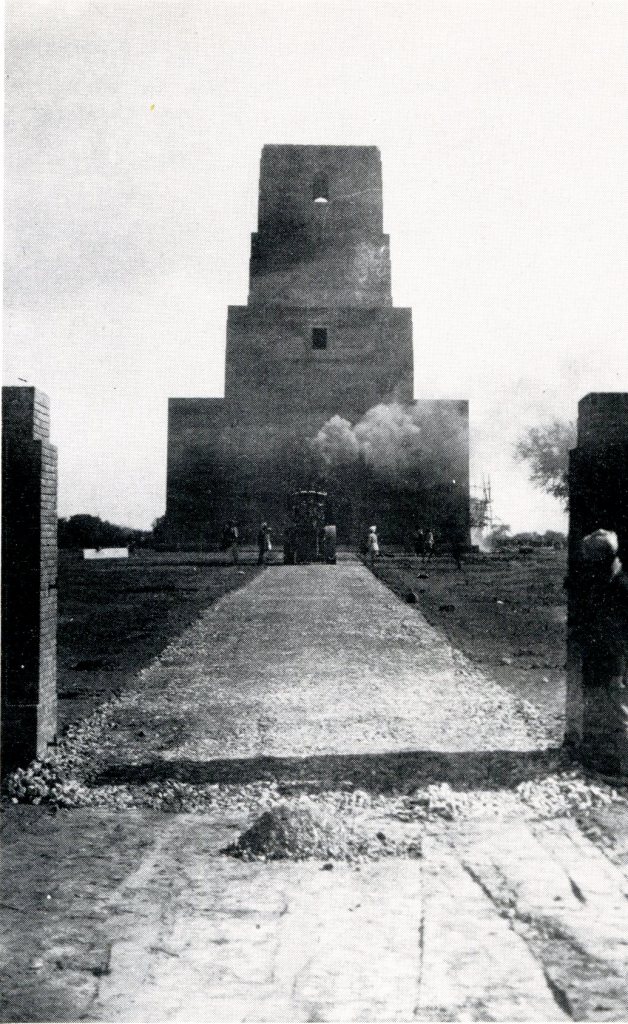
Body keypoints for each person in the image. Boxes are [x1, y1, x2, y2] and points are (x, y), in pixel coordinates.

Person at [576, 529, 628, 775]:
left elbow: (619, 633)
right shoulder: (605, 582)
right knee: (606, 711)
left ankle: (623, 768)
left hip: (617, 662)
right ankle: (608, 760)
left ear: (602, 559)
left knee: (619, 714)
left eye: (590, 558)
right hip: (603, 660)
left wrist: (617, 667)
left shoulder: (621, 586)